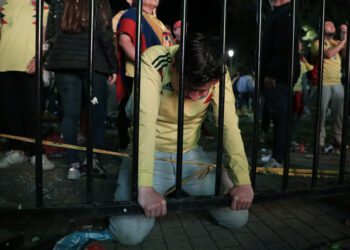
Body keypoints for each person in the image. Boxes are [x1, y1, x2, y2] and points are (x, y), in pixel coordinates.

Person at [109, 33, 254, 246]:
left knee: (237, 218)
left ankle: (212, 175)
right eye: (190, 89)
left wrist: (243, 180)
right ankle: (162, 187)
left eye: (202, 91)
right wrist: (145, 187)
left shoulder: (219, 72)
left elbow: (229, 126)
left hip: (188, 155)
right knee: (126, 235)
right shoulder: (155, 59)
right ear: (175, 66)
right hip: (149, 151)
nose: (196, 97)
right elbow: (145, 123)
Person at [44, 0, 117, 180]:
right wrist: (113, 66)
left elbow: (51, 33)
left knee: (70, 113)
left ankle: (73, 165)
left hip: (65, 64)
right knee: (96, 110)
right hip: (94, 67)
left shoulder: (59, 1)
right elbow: (105, 35)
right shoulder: (99, 2)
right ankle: (93, 161)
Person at [0, 0, 54, 170]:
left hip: (28, 66)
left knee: (33, 111)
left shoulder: (41, 5)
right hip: (3, 65)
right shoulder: (3, 5)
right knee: (8, 110)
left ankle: (37, 153)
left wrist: (38, 58)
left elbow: (47, 37)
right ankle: (16, 150)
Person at [115, 0, 174, 149]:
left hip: (158, 74)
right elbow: (124, 41)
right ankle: (130, 146)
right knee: (136, 111)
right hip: (139, 72)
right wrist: (145, 63)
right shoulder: (132, 13)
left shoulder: (158, 22)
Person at [261, 0, 301, 168]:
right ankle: (277, 155)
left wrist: (272, 74)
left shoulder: (287, 14)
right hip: (277, 74)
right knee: (278, 115)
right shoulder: (279, 13)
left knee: (280, 116)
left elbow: (284, 48)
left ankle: (278, 159)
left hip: (279, 76)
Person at [311, 21, 347, 151]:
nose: (332, 26)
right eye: (328, 24)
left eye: (333, 25)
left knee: (339, 115)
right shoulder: (317, 43)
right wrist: (342, 43)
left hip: (337, 83)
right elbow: (328, 54)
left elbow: (345, 52)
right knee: (320, 115)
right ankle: (319, 143)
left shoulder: (337, 42)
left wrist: (345, 34)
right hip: (323, 83)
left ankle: (338, 141)